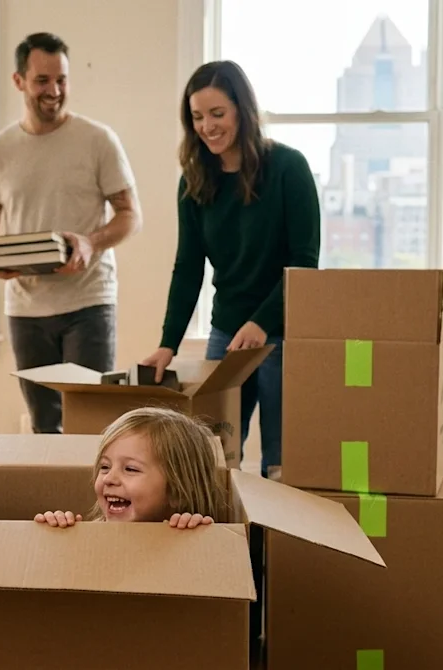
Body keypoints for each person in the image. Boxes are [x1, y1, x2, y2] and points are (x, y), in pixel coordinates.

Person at [141, 60, 321, 480]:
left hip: (281, 330)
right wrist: (168, 344)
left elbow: (304, 261)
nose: (207, 126)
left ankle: (274, 545)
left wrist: (262, 321)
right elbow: (187, 269)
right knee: (216, 457)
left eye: (217, 114)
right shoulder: (194, 182)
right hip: (227, 333)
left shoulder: (288, 168)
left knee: (280, 463)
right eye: (198, 117)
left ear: (242, 110)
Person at [0, 32, 142, 434]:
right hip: (26, 309)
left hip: (88, 303)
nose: (54, 91)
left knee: (91, 425)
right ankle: (52, 500)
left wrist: (91, 242)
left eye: (62, 80)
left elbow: (130, 214)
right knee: (44, 424)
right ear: (19, 81)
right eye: (42, 81)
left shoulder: (97, 140)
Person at [33, 406, 227, 529]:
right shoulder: (90, 532)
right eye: (105, 466)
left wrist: (197, 534)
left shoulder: (187, 531)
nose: (109, 479)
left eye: (130, 469)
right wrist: (57, 530)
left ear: (177, 493)